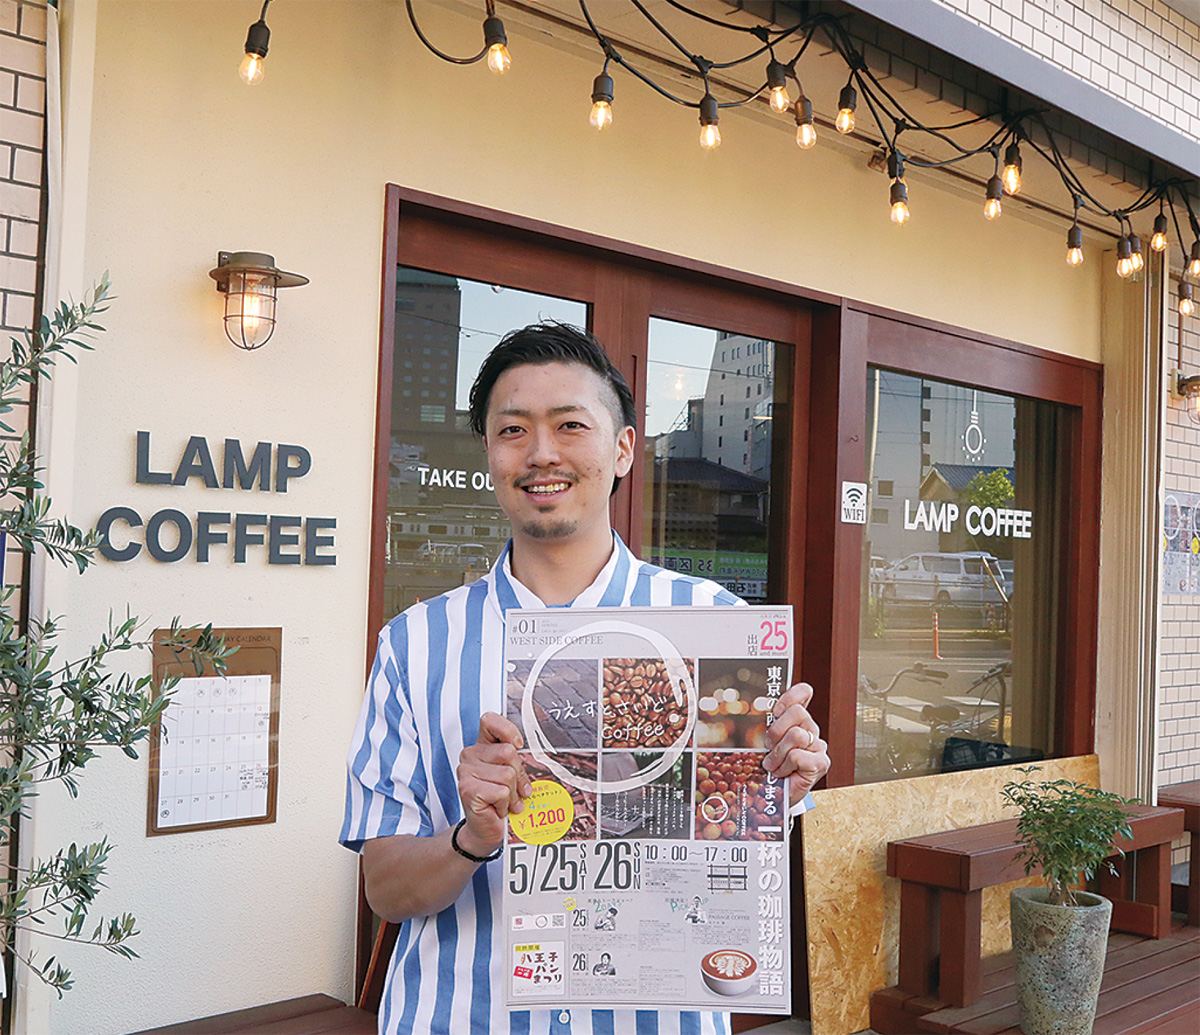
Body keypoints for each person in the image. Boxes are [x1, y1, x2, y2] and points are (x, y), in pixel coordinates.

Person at [340, 323, 831, 1035]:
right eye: (513, 429)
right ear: (489, 452)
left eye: (571, 425)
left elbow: (747, 862)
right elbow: (383, 887)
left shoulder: (715, 625)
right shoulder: (417, 643)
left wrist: (781, 782)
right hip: (461, 1016)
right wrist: (471, 835)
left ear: (625, 447)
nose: (542, 453)